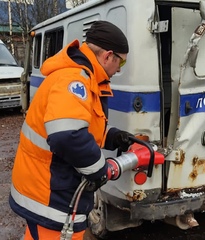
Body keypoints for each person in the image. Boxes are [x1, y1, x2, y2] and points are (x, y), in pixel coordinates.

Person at [9, 20, 133, 240]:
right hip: (48, 192)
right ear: (107, 56)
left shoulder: (85, 78)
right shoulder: (74, 79)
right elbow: (68, 137)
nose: (119, 70)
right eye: (120, 63)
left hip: (53, 187)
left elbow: (80, 125)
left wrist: (113, 137)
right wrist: (100, 169)